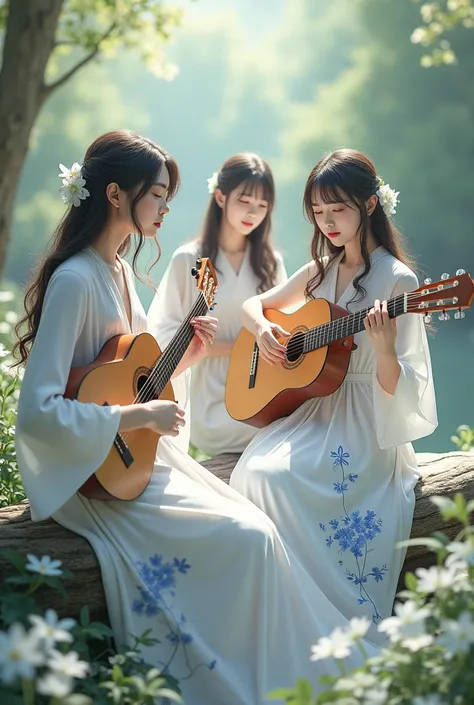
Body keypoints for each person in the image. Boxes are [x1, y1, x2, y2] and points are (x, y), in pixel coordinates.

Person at [13, 132, 374, 705]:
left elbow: (123, 371)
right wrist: (140, 416)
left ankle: (298, 677)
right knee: (248, 537)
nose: (164, 208)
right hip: (90, 472)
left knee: (256, 526)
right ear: (114, 194)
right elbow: (37, 413)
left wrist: (189, 357)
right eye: (156, 195)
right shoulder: (76, 279)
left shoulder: (119, 274)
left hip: (127, 457)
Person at [230, 148, 438, 644]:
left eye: (337, 210)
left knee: (277, 478)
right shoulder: (320, 270)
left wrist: (385, 349)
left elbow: (401, 387)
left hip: (366, 421)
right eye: (318, 213)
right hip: (317, 408)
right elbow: (253, 304)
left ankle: (326, 618)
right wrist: (262, 329)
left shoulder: (399, 280)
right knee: (254, 471)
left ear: (369, 205)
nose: (327, 223)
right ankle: (282, 608)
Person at [147, 152, 287, 458]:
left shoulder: (270, 262)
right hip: (211, 397)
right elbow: (162, 330)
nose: (253, 212)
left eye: (262, 206)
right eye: (244, 201)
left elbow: (285, 324)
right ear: (221, 197)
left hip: (262, 386)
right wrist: (221, 344)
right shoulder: (189, 258)